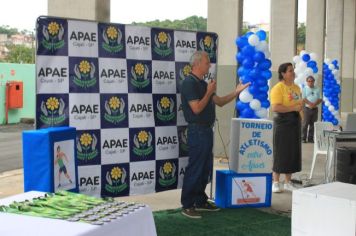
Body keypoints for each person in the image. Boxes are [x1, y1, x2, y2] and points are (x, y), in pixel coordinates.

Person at [180, 51, 250, 219]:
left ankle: (200, 200)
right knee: (196, 167)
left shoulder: (203, 83)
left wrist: (236, 91)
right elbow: (196, 109)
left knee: (205, 168)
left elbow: (219, 102)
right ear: (196, 64)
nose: (209, 65)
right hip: (197, 130)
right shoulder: (189, 83)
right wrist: (208, 91)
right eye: (206, 62)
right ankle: (187, 205)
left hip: (206, 130)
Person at [270, 62, 302, 193]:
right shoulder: (278, 88)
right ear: (283, 74)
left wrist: (302, 118)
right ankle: (276, 182)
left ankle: (288, 182)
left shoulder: (297, 88)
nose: (293, 72)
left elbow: (299, 105)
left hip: (295, 122)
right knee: (281, 151)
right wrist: (293, 108)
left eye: (293, 70)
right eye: (290, 71)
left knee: (292, 152)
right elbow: (276, 107)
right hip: (282, 123)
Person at [302, 76, 322, 143]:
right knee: (305, 124)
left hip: (315, 109)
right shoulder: (304, 89)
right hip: (307, 109)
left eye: (311, 81)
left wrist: (314, 104)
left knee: (313, 125)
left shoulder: (318, 89)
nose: (310, 82)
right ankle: (303, 138)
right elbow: (303, 98)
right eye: (309, 81)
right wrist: (310, 104)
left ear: (314, 81)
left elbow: (320, 99)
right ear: (307, 82)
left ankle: (310, 139)